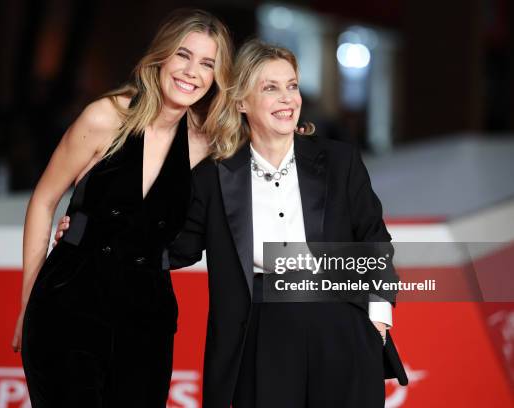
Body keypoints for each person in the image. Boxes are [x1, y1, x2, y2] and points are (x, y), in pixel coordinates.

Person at [54, 40, 407, 407]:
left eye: (292, 86)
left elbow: (373, 238)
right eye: (270, 88)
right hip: (259, 336)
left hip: (342, 328)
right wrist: (91, 231)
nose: (287, 98)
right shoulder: (214, 176)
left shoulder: (339, 160)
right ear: (241, 103)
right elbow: (173, 246)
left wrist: (377, 322)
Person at [12, 9, 233, 407]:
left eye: (207, 64)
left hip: (147, 321)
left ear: (217, 76)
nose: (192, 72)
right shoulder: (106, 116)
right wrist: (27, 301)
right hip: (68, 306)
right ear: (161, 56)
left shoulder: (207, 141)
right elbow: (44, 200)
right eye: (183, 55)